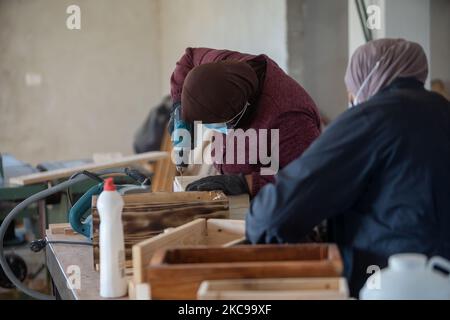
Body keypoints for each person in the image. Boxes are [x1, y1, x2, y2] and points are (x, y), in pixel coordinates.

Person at [245, 38, 450, 297]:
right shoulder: (442, 110)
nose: (350, 98)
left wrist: (254, 215)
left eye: (351, 89)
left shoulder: (370, 119)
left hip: (393, 281)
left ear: (366, 81)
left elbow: (273, 217)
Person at [169, 48, 321, 197]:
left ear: (240, 110)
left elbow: (309, 178)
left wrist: (245, 183)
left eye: (215, 123)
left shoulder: (288, 116)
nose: (209, 128)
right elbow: (188, 59)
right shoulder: (222, 66)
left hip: (267, 205)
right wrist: (179, 109)